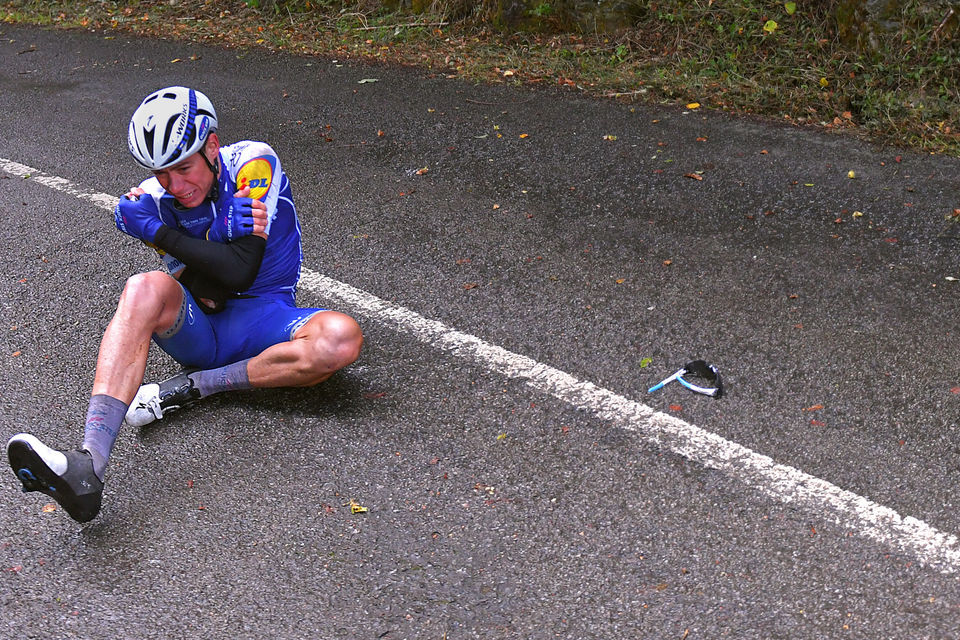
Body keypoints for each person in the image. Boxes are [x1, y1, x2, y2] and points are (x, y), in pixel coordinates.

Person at [6, 86, 363, 523]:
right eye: (161, 174)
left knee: (339, 339)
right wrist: (209, 248)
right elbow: (201, 287)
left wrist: (159, 234)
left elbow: (238, 274)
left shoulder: (253, 163)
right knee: (144, 288)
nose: (176, 186)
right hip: (204, 329)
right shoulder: (146, 203)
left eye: (183, 168)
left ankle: (198, 386)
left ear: (212, 146)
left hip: (268, 316)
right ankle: (88, 465)